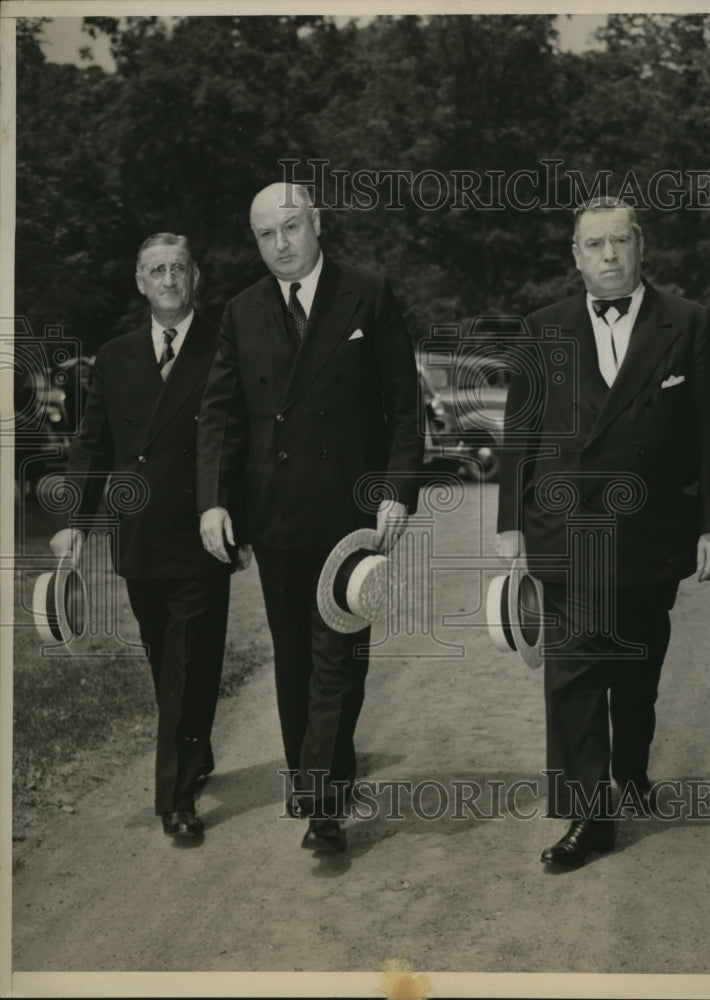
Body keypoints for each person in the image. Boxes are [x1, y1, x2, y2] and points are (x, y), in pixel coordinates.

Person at [496, 197, 710, 869]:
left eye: (618, 242)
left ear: (639, 247)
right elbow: (522, 435)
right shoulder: (542, 331)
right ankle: (588, 815)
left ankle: (629, 768)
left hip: (651, 534)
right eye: (593, 244)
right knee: (571, 672)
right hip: (566, 530)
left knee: (638, 666)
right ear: (574, 255)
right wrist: (511, 523)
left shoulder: (688, 325)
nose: (607, 255)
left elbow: (709, 436)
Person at [197, 183, 422, 853]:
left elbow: (403, 404)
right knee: (294, 654)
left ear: (316, 223)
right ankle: (316, 771)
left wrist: (398, 489)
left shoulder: (368, 292)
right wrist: (213, 500)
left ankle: (322, 802)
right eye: (265, 234)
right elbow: (222, 415)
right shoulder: (242, 312)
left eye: (290, 227)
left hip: (352, 514)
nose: (280, 244)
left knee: (340, 652)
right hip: (275, 515)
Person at [50, 233, 251, 842]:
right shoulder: (113, 356)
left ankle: (176, 799)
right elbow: (93, 443)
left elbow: (244, 442)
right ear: (140, 282)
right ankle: (196, 748)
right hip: (137, 534)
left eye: (178, 269)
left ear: (196, 279)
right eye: (156, 270)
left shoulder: (226, 346)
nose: (168, 280)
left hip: (202, 529)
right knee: (165, 654)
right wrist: (73, 521)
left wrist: (242, 516)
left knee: (190, 662)